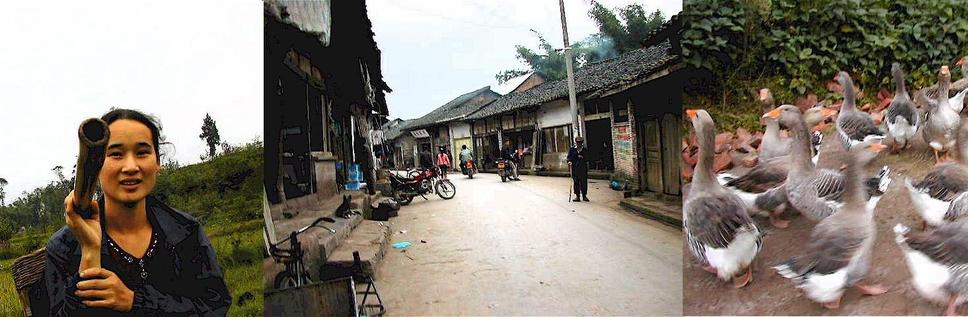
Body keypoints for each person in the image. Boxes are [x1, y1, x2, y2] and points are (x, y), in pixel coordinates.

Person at [46, 109, 231, 316]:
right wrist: (90, 251)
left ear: (157, 163)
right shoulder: (64, 248)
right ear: (97, 166)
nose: (131, 167)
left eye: (142, 152)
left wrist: (136, 301)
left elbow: (215, 305)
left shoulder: (185, 232)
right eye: (115, 154)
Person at [568, 136, 589, 202]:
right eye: (578, 142)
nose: (579, 143)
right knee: (576, 182)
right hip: (575, 168)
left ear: (582, 143)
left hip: (583, 168)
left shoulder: (584, 150)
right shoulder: (572, 149)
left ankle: (584, 196)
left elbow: (588, 158)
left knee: (583, 182)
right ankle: (577, 196)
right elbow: (569, 157)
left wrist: (582, 157)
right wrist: (569, 161)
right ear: (576, 142)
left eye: (580, 142)